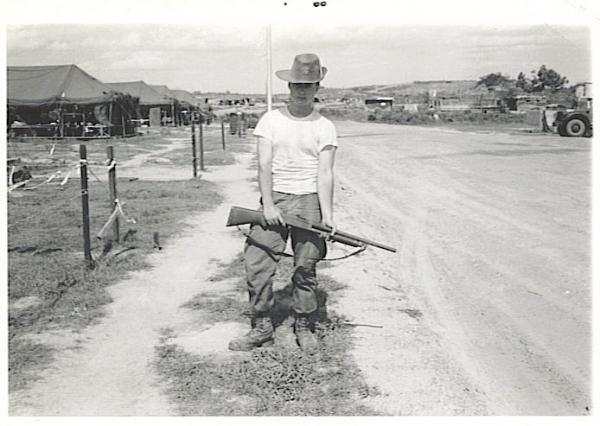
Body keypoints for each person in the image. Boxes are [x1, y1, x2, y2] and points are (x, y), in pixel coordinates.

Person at [229, 53, 338, 353]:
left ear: (317, 87)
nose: (301, 90)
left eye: (308, 84)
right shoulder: (270, 120)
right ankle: (261, 326)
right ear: (288, 86)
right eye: (296, 84)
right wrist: (268, 205)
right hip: (275, 197)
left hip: (309, 201)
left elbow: (325, 173)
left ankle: (304, 325)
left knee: (306, 267)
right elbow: (264, 165)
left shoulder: (325, 126)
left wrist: (326, 215)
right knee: (257, 264)